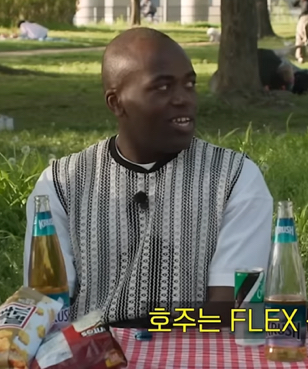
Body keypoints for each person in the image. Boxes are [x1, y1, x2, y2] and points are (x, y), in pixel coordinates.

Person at [22, 27, 274, 327]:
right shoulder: (61, 184)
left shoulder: (235, 178)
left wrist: (146, 339)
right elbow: (47, 304)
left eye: (189, 84)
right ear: (116, 102)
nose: (184, 99)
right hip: (89, 349)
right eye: (163, 87)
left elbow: (231, 307)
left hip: (194, 347)